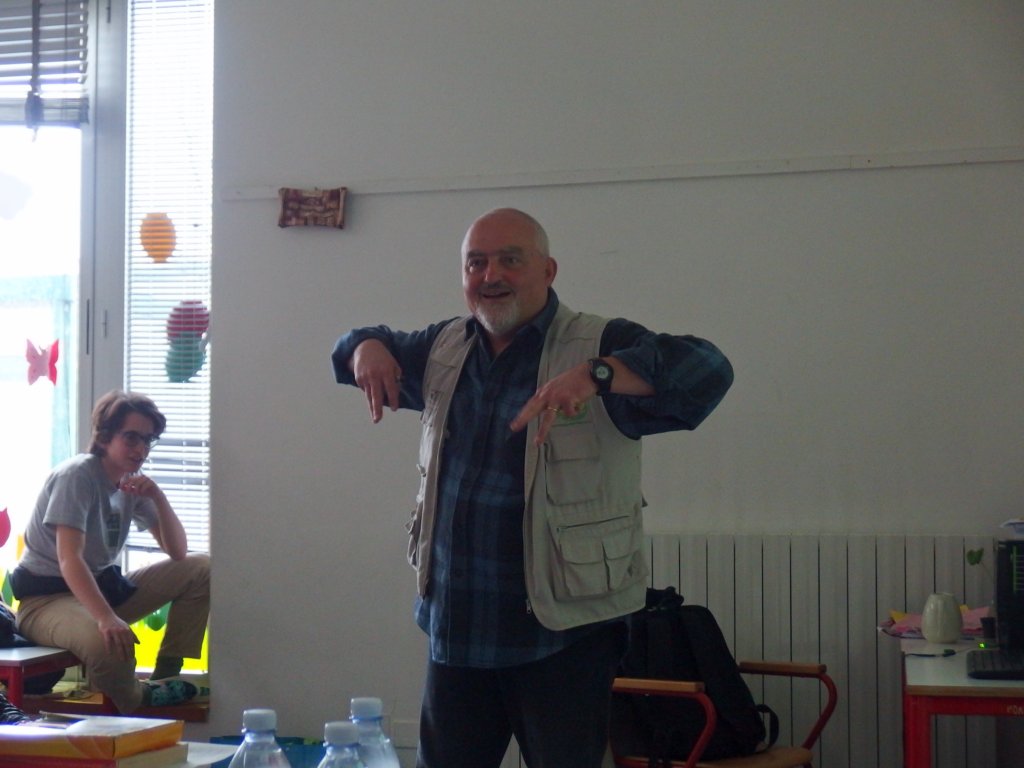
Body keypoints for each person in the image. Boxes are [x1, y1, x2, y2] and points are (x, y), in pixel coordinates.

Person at [331, 208, 733, 768]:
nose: (491, 275)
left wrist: (596, 375)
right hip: (459, 626)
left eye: (510, 260)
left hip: (563, 635)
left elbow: (709, 369)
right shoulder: (444, 348)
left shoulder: (600, 342)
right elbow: (352, 346)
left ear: (548, 270)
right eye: (476, 263)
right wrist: (365, 347)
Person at [11, 390, 210, 714]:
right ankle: (140, 698)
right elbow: (69, 559)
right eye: (131, 438)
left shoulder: (131, 482)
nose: (141, 449)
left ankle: (166, 674)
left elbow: (178, 551)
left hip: (101, 590)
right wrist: (106, 618)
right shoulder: (77, 476)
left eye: (148, 440)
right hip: (45, 603)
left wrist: (158, 497)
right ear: (104, 436)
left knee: (201, 568)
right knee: (109, 642)